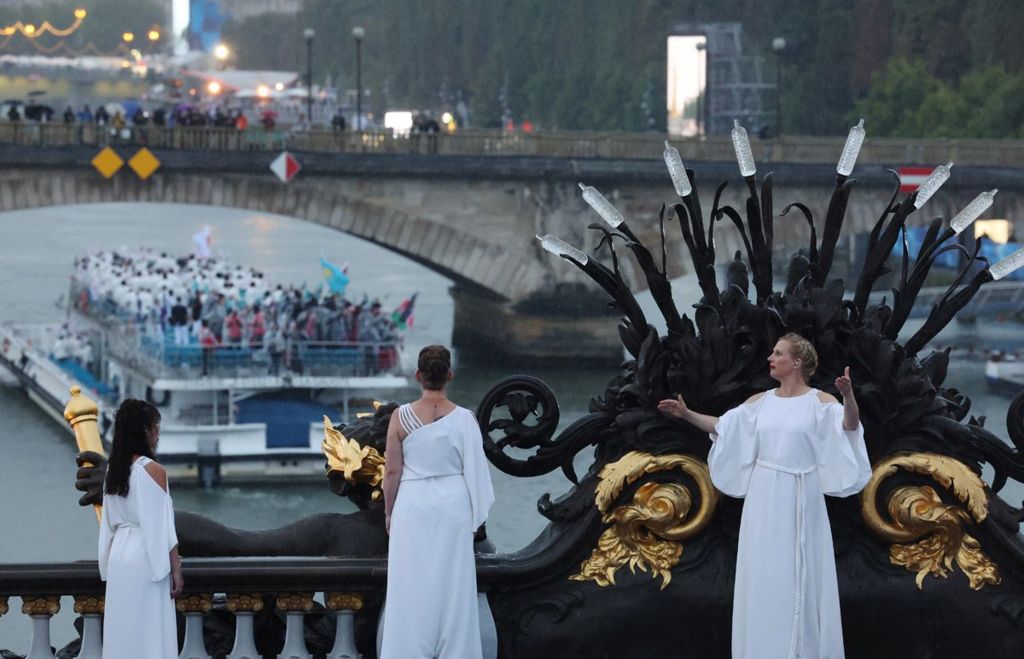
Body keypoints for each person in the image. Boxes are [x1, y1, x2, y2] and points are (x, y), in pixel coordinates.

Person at [658, 333, 871, 659]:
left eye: (778, 353)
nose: (771, 357)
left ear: (797, 361)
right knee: (764, 575)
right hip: (764, 497)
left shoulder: (820, 401)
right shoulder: (761, 401)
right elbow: (724, 427)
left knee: (801, 573)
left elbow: (849, 426)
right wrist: (686, 414)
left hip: (802, 494)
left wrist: (849, 395)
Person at [379, 345, 494, 659]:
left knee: (410, 585)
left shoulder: (400, 417)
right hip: (453, 507)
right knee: (453, 586)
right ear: (449, 375)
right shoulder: (465, 419)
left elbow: (392, 471)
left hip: (412, 505)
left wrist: (389, 512)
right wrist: (474, 517)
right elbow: (477, 471)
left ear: (418, 375)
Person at [98, 399, 182, 658]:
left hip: (120, 557)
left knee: (124, 630)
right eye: (156, 427)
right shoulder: (153, 470)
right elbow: (161, 527)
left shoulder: (114, 470)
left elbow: (108, 525)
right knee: (150, 629)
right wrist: (175, 569)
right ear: (145, 431)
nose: (158, 435)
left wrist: (107, 562)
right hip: (145, 557)